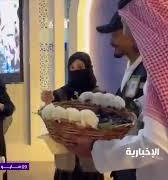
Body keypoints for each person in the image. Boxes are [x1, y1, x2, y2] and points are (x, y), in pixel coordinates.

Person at [65, 1, 168, 180]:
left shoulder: (159, 74)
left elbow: (154, 148)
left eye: (127, 26)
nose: (127, 33)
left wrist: (95, 149)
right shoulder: (157, 73)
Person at [96, 11, 148, 180]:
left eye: (116, 35)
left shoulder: (150, 72)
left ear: (133, 36)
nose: (112, 42)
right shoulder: (132, 68)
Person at [41, 52, 104, 180]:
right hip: (66, 155)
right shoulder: (59, 94)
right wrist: (47, 103)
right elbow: (50, 120)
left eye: (80, 68)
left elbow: (106, 123)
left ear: (88, 69)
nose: (76, 71)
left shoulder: (99, 95)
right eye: (72, 68)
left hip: (90, 156)